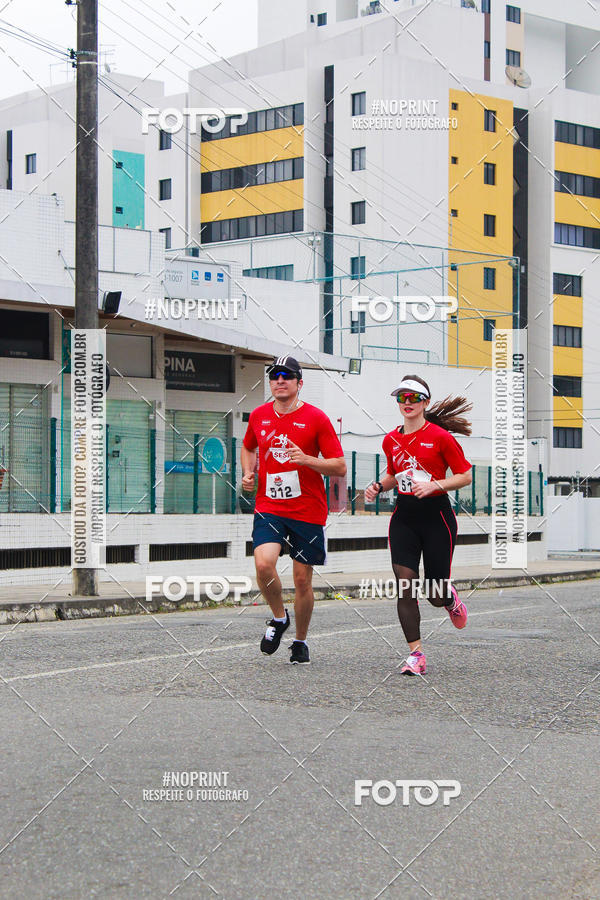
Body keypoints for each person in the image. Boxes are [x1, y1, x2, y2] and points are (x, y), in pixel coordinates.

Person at [241, 355, 346, 664]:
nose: (279, 380)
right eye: (274, 375)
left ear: (300, 383)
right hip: (269, 506)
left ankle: (300, 640)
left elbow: (339, 465)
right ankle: (278, 617)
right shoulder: (259, 416)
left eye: (287, 375)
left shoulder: (316, 419)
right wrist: (248, 473)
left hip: (307, 510)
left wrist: (307, 460)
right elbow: (249, 446)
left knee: (302, 580)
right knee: (263, 564)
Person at [365, 375, 472, 676]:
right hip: (404, 518)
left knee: (434, 593)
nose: (407, 403)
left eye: (413, 398)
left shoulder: (440, 437)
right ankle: (416, 654)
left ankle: (449, 599)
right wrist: (378, 486)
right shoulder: (390, 439)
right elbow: (393, 474)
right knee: (405, 584)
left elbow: (464, 475)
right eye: (402, 398)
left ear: (425, 401)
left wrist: (435, 486)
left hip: (437, 518)